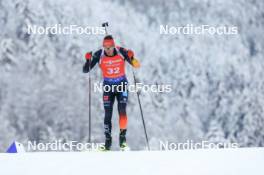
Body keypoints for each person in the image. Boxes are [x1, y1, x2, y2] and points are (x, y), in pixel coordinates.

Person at [83, 35, 140, 150]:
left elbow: (136, 65)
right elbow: (85, 70)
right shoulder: (99, 54)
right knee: (107, 114)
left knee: (122, 111)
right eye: (105, 47)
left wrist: (132, 57)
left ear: (114, 46)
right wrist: (88, 60)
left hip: (121, 86)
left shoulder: (121, 52)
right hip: (108, 88)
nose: (108, 50)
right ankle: (107, 144)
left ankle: (122, 141)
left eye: (110, 47)